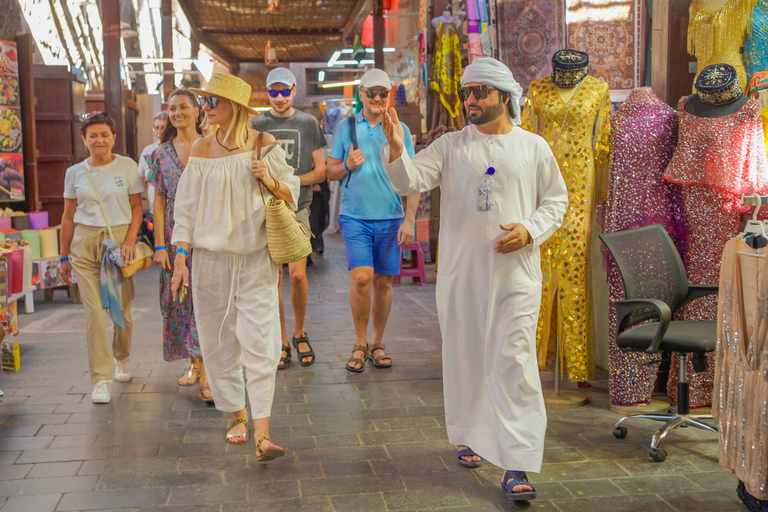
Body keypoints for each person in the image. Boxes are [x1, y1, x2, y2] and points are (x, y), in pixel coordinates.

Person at [380, 57, 569, 501]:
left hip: (515, 275)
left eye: (479, 93)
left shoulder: (534, 147)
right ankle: (469, 433)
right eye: (467, 93)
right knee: (465, 355)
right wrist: (394, 146)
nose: (470, 101)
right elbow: (409, 179)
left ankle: (517, 460)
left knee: (514, 360)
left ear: (504, 96)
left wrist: (528, 230)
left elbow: (556, 203)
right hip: (463, 273)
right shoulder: (450, 146)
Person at [171, 72, 299, 461]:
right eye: (205, 102)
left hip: (256, 257)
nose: (206, 109)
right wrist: (180, 257)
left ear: (237, 109)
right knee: (218, 341)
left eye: (213, 102)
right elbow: (186, 209)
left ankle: (263, 432)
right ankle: (237, 415)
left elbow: (291, 192)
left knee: (261, 340)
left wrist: (269, 180)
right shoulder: (200, 149)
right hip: (209, 260)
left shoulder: (263, 143)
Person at [327, 68, 420, 372]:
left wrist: (409, 220)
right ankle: (359, 341)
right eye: (372, 93)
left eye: (383, 93)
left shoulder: (400, 129)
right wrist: (346, 164)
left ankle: (377, 342)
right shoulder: (347, 127)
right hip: (355, 217)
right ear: (361, 95)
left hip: (391, 216)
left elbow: (413, 178)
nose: (378, 98)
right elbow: (330, 171)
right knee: (362, 278)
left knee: (383, 283)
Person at [59, 112, 144, 404]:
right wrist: (62, 258)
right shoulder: (75, 173)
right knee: (94, 312)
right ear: (84, 139)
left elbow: (136, 208)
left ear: (114, 138)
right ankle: (101, 379)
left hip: (119, 245)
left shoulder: (127, 166)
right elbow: (68, 217)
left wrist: (130, 240)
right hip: (84, 245)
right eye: (92, 135)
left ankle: (122, 358)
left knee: (122, 310)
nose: (99, 140)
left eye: (104, 135)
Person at [250, 67, 327, 368]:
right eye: (274, 92)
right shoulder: (257, 123)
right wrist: (273, 185)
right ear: (267, 93)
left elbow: (321, 170)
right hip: (266, 208)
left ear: (295, 91)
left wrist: (288, 184)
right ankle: (281, 338)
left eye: (285, 91)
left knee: (297, 274)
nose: (279, 97)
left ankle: (299, 331)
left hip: (300, 206)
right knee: (274, 277)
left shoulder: (308, 123)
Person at [148, 89, 211, 402]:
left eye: (183, 107)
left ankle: (206, 373)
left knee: (206, 300)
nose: (177, 113)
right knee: (179, 302)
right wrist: (160, 244)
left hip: (210, 234)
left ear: (197, 110)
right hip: (175, 237)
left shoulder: (212, 146)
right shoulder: (160, 153)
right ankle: (195, 363)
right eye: (172, 108)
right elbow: (158, 202)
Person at [138, 111, 168, 209]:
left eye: (163, 128)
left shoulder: (177, 150)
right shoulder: (147, 151)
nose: (159, 132)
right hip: (153, 210)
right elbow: (140, 184)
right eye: (156, 128)